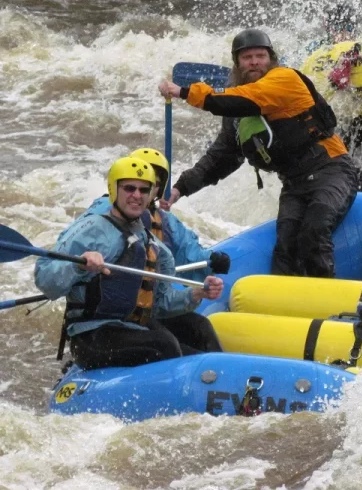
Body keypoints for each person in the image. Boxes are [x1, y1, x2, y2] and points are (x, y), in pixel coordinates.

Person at [157, 28, 359, 278]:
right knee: (286, 246)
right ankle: (283, 306)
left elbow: (244, 99)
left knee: (314, 230)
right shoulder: (237, 108)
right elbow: (221, 157)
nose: (254, 62)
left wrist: (185, 92)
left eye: (260, 56)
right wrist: (180, 188)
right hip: (295, 183)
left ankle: (324, 303)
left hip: (331, 170)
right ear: (237, 64)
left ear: (271, 59)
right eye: (247, 58)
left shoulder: (285, 79)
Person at [34, 157, 224, 369]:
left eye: (144, 190)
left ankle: (221, 379)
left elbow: (159, 304)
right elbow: (45, 278)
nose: (136, 195)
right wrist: (78, 266)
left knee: (199, 328)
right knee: (165, 345)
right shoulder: (91, 230)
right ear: (114, 190)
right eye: (129, 188)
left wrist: (197, 293)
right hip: (91, 334)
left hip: (131, 327)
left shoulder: (150, 242)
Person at [81, 147, 231, 282]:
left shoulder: (166, 221)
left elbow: (189, 255)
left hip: (153, 301)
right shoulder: (104, 209)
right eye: (133, 184)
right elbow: (80, 242)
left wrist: (211, 260)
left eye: (152, 183)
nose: (140, 191)